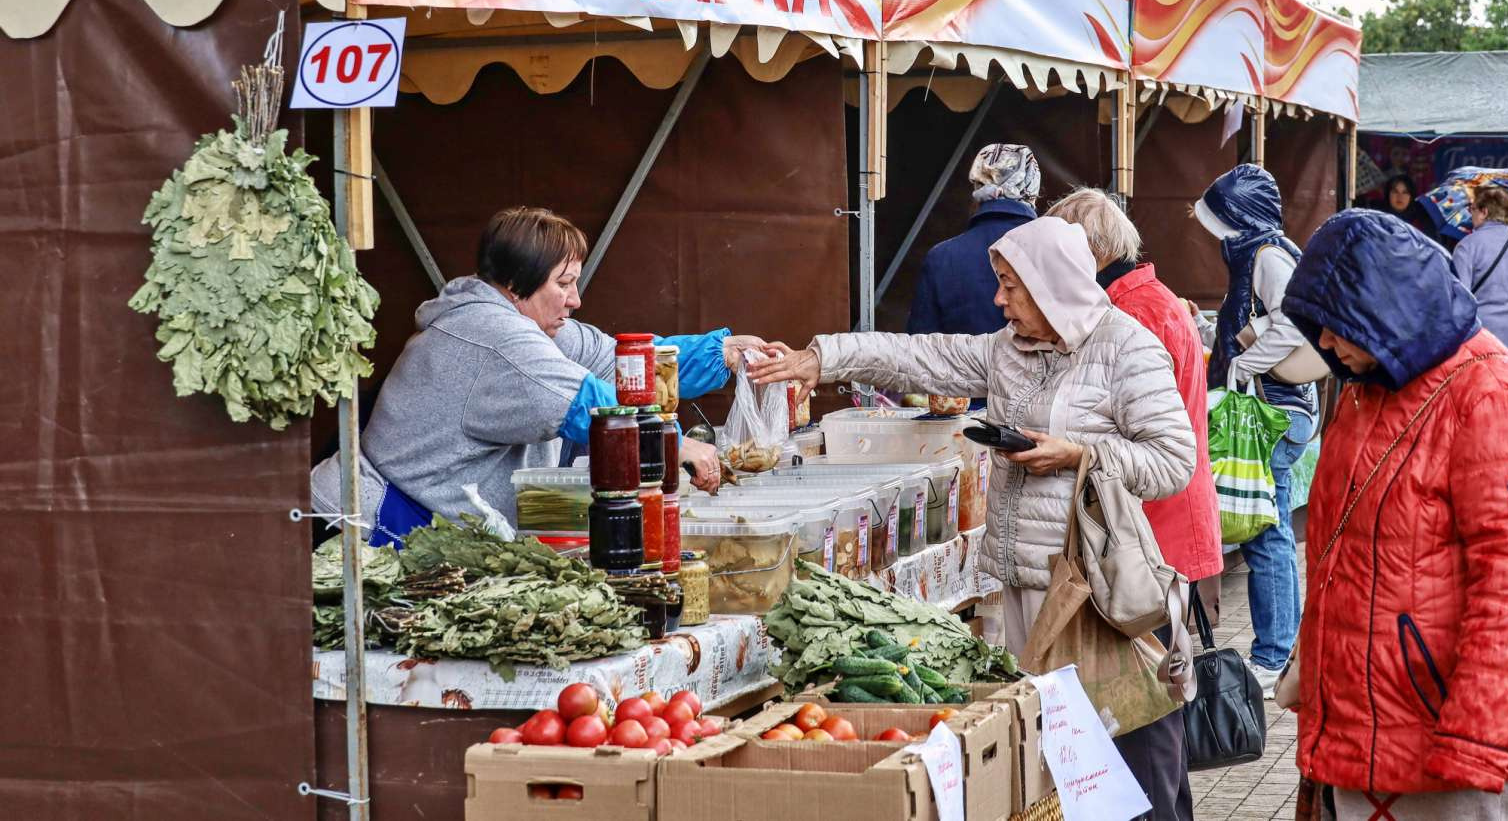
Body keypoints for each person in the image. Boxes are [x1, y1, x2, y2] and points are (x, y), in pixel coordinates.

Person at [749, 218, 1197, 820]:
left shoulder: (1127, 347)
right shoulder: (1005, 352)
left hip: (1091, 591)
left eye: (1011, 286)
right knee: (1055, 760)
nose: (998, 300)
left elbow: (1174, 462)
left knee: (1127, 750)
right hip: (1022, 580)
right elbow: (915, 358)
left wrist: (1078, 455)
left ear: (1050, 285)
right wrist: (819, 358)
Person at [1280, 209, 1508, 818]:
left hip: (1456, 752)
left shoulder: (1491, 399)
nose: (1326, 344)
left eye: (1336, 327)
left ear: (1385, 309)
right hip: (1377, 732)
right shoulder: (1370, 390)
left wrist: (1475, 741)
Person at [311, 206, 775, 544]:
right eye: (564, 283)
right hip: (367, 525)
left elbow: (620, 361)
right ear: (515, 285)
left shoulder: (536, 330)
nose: (575, 300)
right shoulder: (497, 339)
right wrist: (677, 443)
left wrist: (720, 353)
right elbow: (593, 409)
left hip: (427, 524)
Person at [1047, 188, 1220, 820]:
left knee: (1147, 723)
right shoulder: (1154, 299)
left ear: (1089, 253)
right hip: (1165, 531)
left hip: (1151, 540)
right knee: (1159, 726)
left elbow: (1136, 448)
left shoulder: (1133, 317)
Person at [1192, 164, 1318, 696]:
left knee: (1268, 532)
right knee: (1274, 529)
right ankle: (1279, 648)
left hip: (1275, 410)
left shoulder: (1267, 257)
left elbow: (1293, 321)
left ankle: (1273, 654)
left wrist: (1245, 364)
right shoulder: (1263, 252)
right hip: (1281, 410)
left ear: (1239, 217)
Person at [907, 143, 1039, 335]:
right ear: (1031, 186)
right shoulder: (1057, 250)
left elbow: (919, 345)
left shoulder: (941, 257)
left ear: (979, 186)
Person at [1450, 185, 1508, 363]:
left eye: (1472, 209)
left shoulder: (1467, 246)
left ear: (1484, 212)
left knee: (1485, 390)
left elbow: (1460, 296)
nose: (1470, 215)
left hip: (1484, 335)